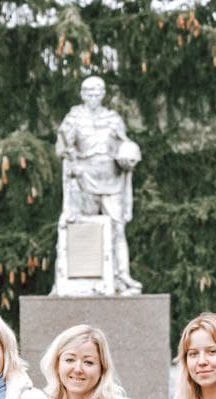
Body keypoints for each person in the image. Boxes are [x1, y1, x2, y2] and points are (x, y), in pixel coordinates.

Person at [54, 75, 142, 293]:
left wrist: (130, 152)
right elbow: (62, 147)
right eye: (89, 93)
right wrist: (72, 161)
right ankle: (82, 282)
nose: (93, 97)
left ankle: (122, 276)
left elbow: (125, 144)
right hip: (85, 180)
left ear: (103, 95)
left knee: (118, 229)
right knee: (83, 229)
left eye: (97, 93)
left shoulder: (113, 119)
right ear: (82, 95)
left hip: (111, 180)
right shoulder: (73, 118)